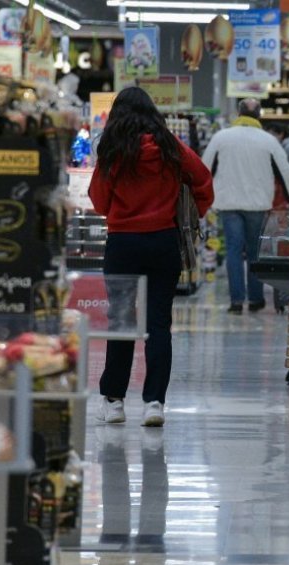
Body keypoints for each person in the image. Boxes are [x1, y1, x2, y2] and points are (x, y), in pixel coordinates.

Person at [88, 86, 214, 427]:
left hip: (123, 244)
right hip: (163, 241)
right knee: (159, 323)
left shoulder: (113, 150)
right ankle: (154, 403)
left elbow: (98, 201)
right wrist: (192, 214)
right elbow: (203, 181)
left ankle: (114, 402)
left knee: (121, 320)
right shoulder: (171, 147)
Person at [202, 99, 289, 315]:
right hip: (257, 204)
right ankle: (256, 299)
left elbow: (204, 169)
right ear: (259, 115)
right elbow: (285, 171)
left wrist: (201, 198)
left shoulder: (221, 138)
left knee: (234, 251)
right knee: (255, 252)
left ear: (239, 113)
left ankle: (236, 301)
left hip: (228, 203)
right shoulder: (269, 141)